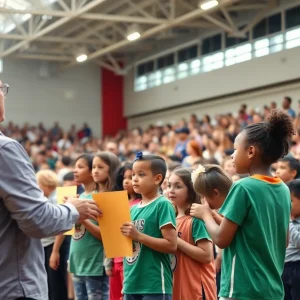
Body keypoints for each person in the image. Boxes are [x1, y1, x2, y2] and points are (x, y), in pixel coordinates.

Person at [0, 80, 101, 300]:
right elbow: (39, 221)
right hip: (12, 286)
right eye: (1, 89)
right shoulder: (5, 149)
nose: (3, 95)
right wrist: (72, 210)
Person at [190, 109, 294, 300]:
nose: (232, 155)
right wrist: (216, 216)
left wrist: (205, 214)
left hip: (241, 289)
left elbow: (221, 239)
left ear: (251, 151)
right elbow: (281, 239)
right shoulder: (283, 189)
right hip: (271, 290)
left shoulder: (243, 187)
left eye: (236, 149)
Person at [121, 153, 177, 300]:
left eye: (141, 174)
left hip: (155, 285)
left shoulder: (163, 205)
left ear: (157, 178)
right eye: (133, 174)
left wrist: (138, 236)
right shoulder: (132, 209)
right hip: (131, 283)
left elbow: (171, 245)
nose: (134, 179)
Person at [168, 167, 217, 300]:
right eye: (169, 185)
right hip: (177, 287)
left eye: (178, 186)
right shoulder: (170, 220)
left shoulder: (196, 220)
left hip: (197, 290)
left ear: (191, 190)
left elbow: (207, 255)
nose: (171, 190)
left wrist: (175, 241)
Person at [69, 154, 110, 300]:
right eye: (75, 167)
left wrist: (81, 217)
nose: (75, 170)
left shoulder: (100, 197)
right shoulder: (78, 197)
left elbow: (105, 235)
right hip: (78, 262)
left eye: (80, 167)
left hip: (95, 264)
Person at [191, 164, 233, 298]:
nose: (202, 201)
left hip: (237, 283)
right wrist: (213, 215)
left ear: (215, 193)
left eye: (203, 196)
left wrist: (206, 215)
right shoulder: (225, 209)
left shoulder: (233, 206)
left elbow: (220, 238)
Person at [36, 170, 69, 300]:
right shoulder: (49, 198)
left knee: (55, 285)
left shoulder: (55, 198)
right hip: (49, 245)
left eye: (38, 184)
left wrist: (55, 251)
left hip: (53, 246)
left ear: (46, 184)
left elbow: (61, 227)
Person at [110, 163, 141, 300]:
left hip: (130, 259)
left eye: (132, 176)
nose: (127, 181)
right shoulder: (119, 202)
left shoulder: (140, 204)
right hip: (116, 258)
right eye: (125, 177)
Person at [283, 180, 300, 300]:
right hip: (284, 267)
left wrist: (288, 221)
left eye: (291, 201)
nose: (287, 205)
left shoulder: (290, 222)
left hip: (297, 268)